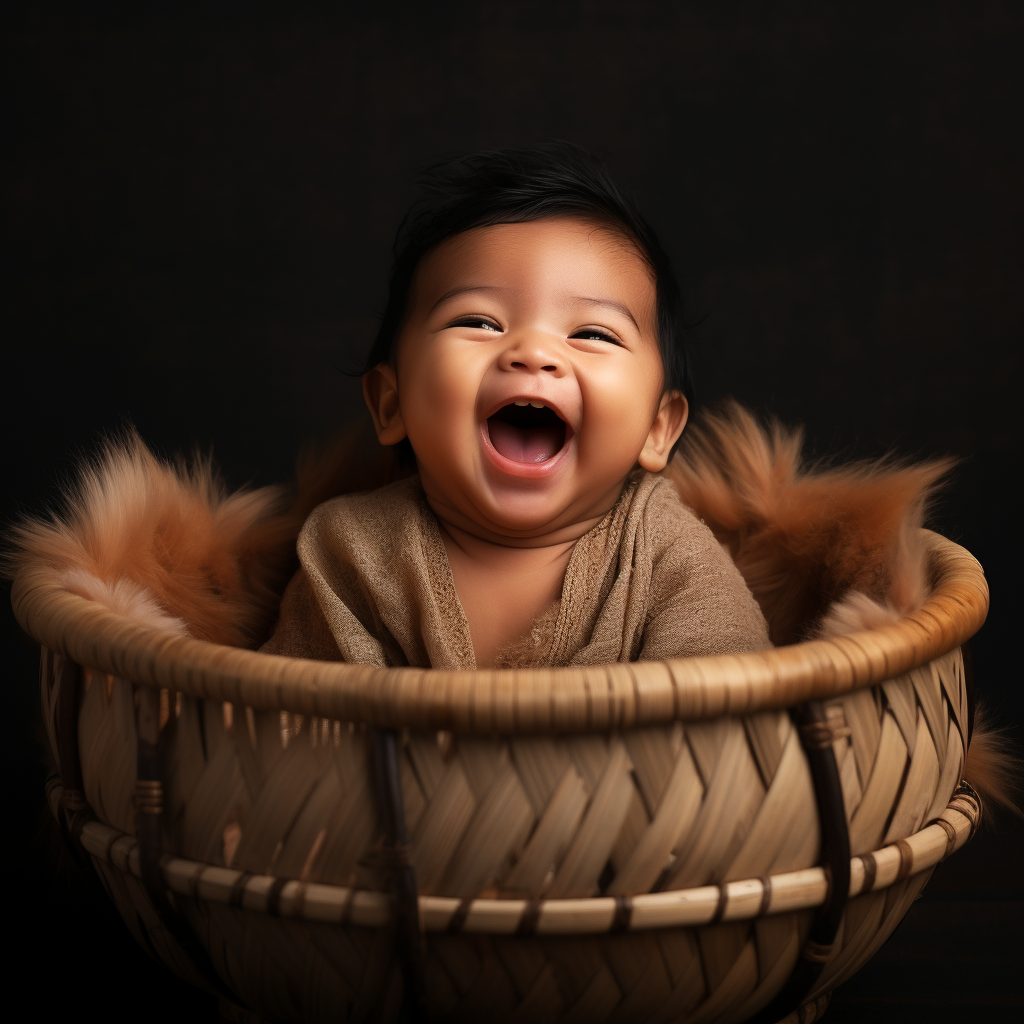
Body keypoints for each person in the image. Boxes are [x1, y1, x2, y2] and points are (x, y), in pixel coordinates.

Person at [261, 143, 770, 668]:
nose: (534, 352)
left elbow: (729, 712)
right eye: (478, 322)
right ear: (391, 404)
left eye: (592, 333)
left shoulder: (667, 554)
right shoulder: (350, 551)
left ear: (657, 428)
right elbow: (292, 723)